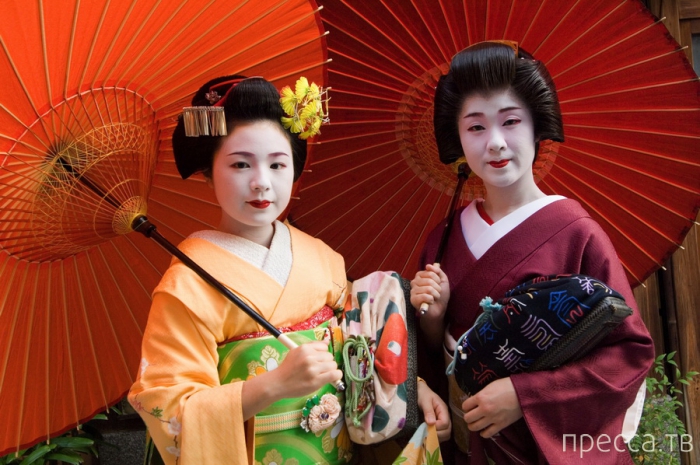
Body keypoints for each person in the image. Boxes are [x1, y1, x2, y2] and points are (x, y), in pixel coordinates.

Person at [128, 75, 449, 465]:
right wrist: (273, 385)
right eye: (240, 164)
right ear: (209, 171)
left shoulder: (321, 258)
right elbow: (170, 407)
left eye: (277, 164)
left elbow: (364, 344)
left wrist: (412, 388)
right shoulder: (186, 285)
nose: (261, 183)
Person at [410, 42, 654, 464]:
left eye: (510, 121)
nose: (495, 143)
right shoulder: (442, 239)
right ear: (458, 138)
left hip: (541, 449)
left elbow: (629, 354)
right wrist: (432, 322)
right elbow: (426, 356)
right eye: (476, 127)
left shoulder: (577, 233)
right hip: (470, 447)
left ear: (537, 125)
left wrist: (525, 395)